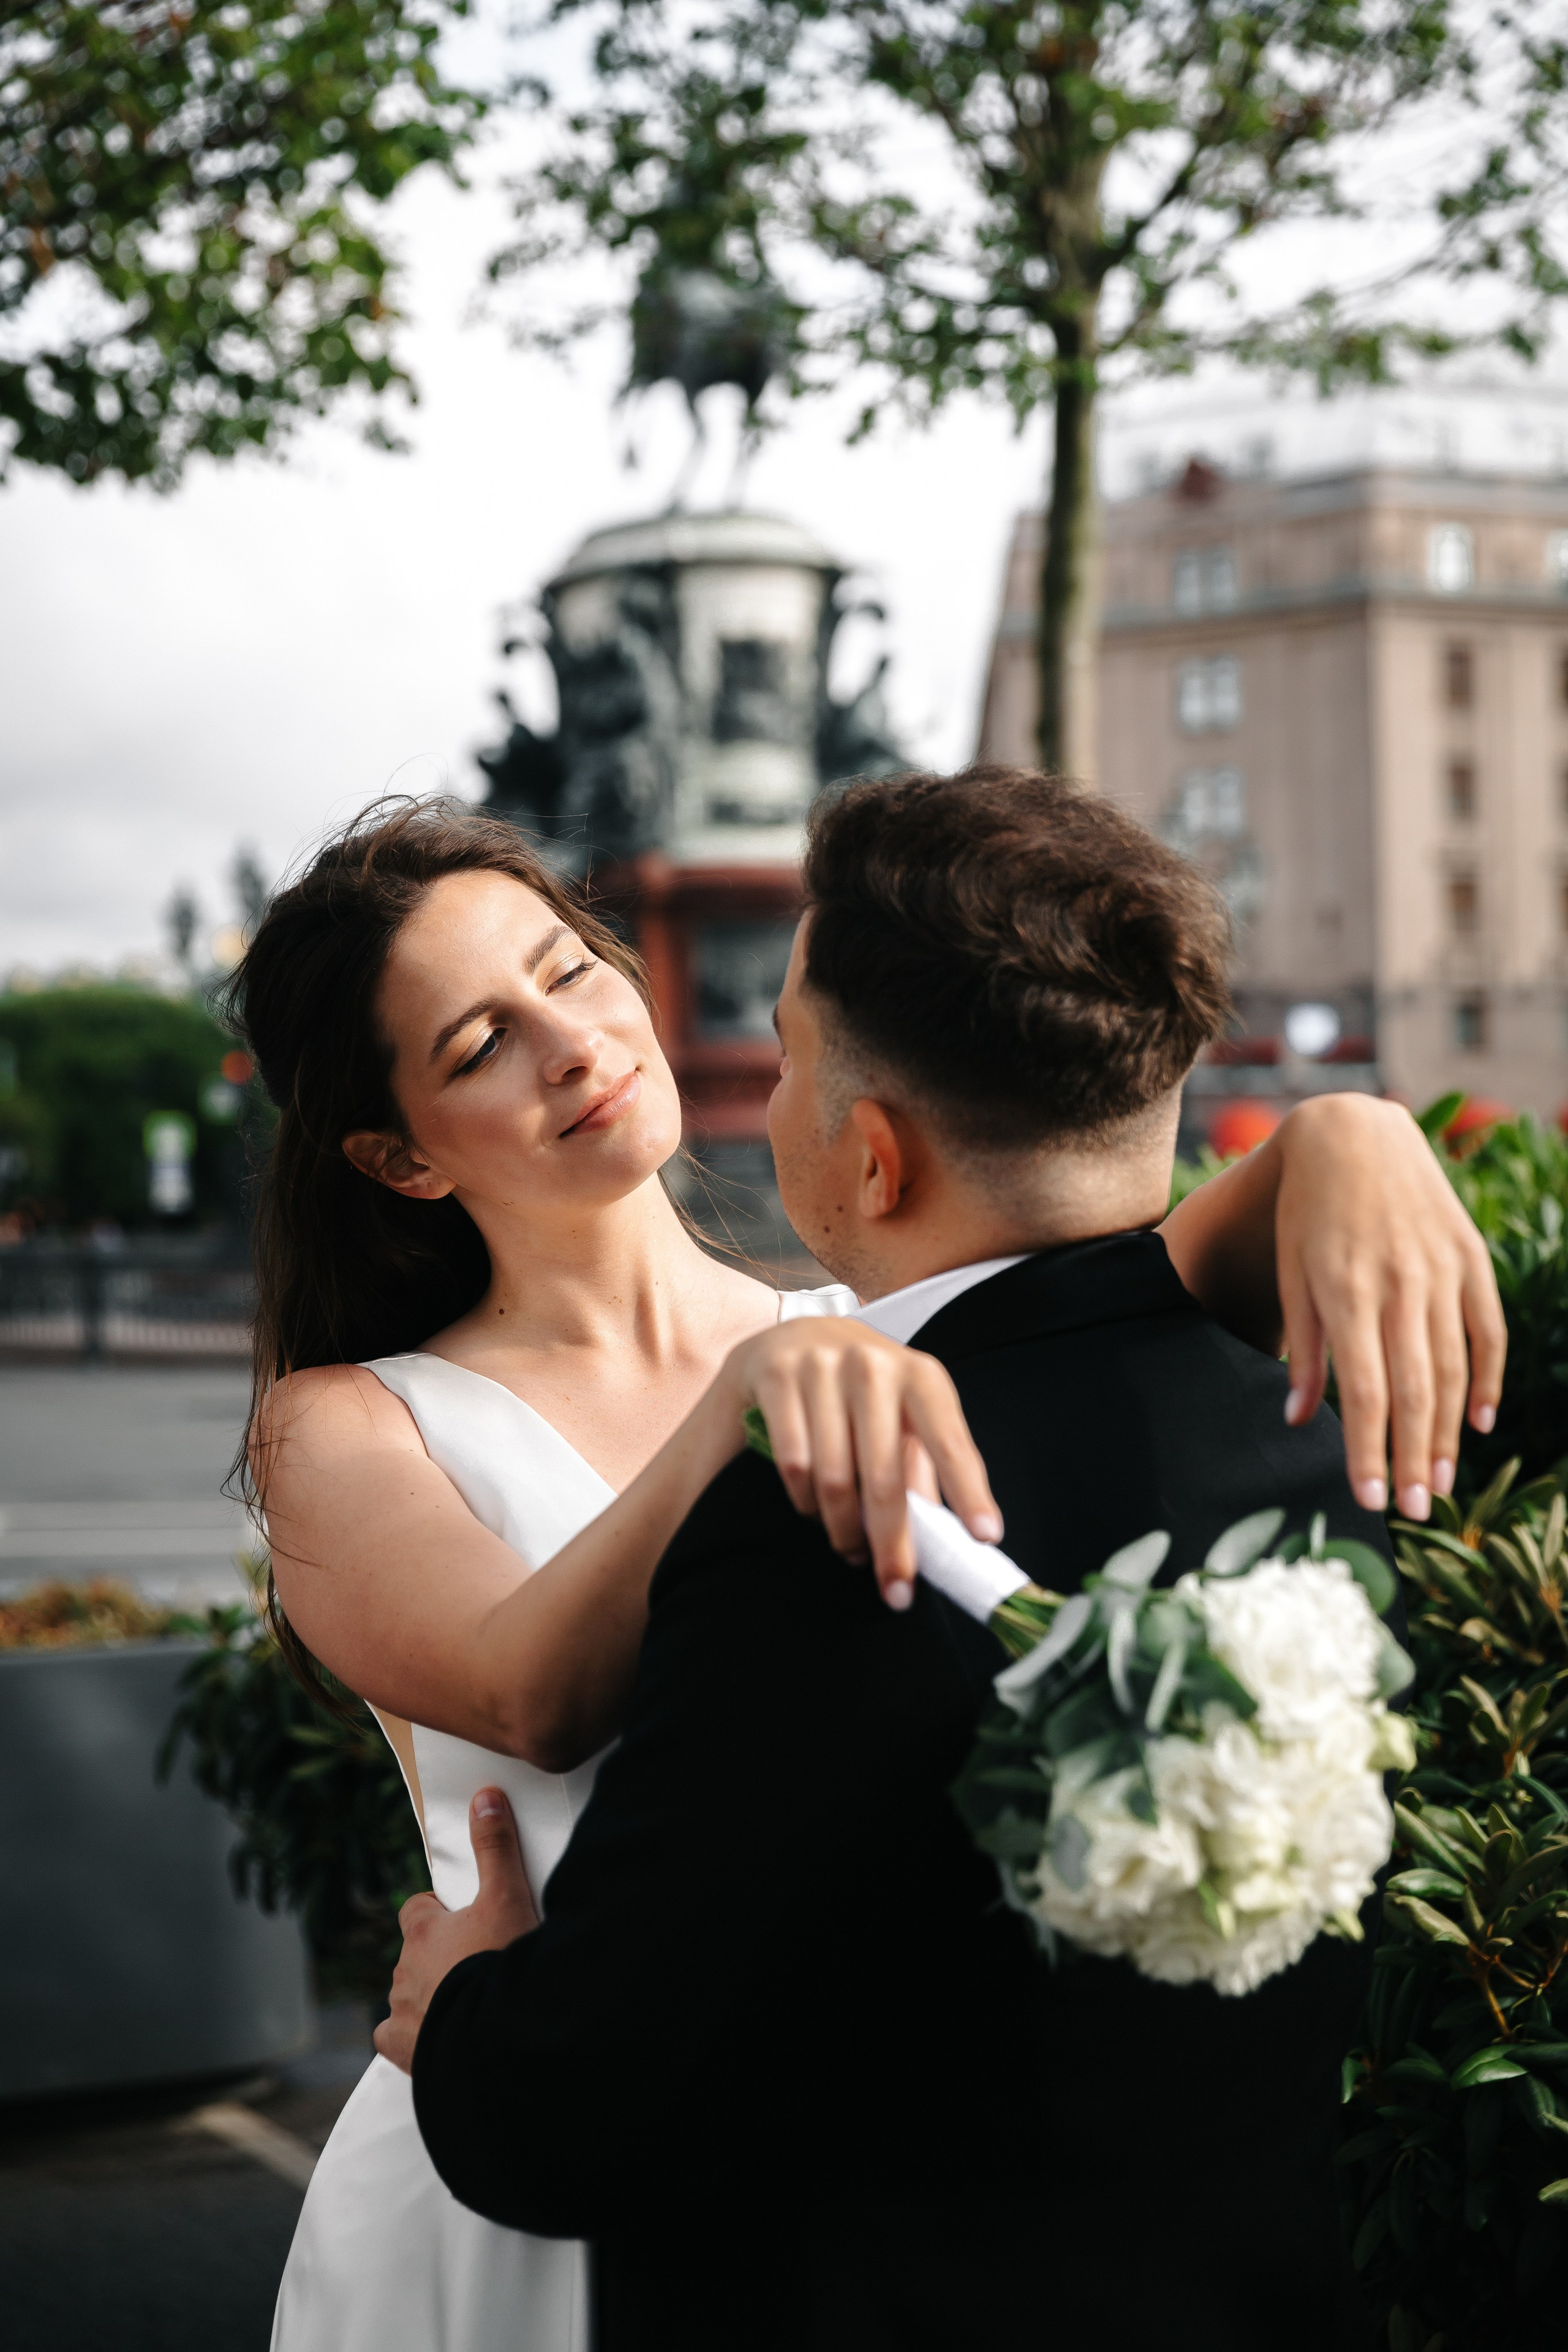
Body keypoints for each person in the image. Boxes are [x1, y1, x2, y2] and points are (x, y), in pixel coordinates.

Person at [242, 789, 1497, 2352]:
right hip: (500, 2134)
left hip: (813, 2165)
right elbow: (524, 1687)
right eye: (475, 1044)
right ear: (400, 1160)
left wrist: (1342, 1136)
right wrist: (739, 1409)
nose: (567, 1042)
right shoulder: (351, 1423)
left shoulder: (860, 1320)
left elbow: (1096, 1276)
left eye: (564, 972)